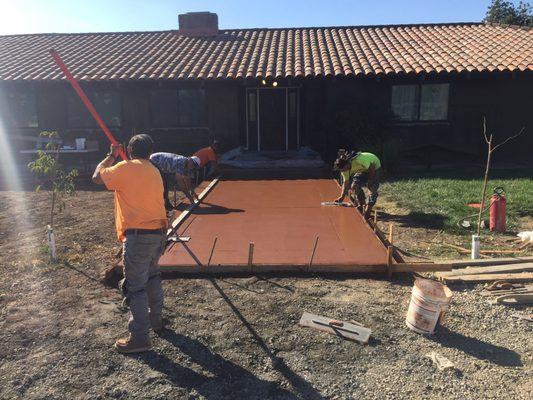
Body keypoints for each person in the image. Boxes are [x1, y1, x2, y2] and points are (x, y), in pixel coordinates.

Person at [92, 134, 168, 353]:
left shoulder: (126, 167)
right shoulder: (154, 170)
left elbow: (97, 177)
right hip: (158, 233)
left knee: (135, 287)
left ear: (130, 150)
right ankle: (156, 321)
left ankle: (140, 338)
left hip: (139, 235)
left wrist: (111, 155)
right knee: (153, 275)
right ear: (150, 151)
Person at [334, 149, 381, 218]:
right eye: (341, 170)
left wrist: (370, 181)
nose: (343, 171)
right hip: (362, 170)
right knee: (354, 186)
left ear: (347, 164)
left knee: (372, 188)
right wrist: (342, 197)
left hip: (374, 166)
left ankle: (368, 208)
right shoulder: (343, 170)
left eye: (344, 169)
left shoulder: (359, 160)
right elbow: (346, 183)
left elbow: (372, 168)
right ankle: (362, 204)